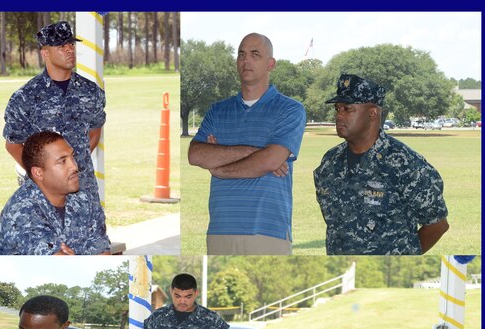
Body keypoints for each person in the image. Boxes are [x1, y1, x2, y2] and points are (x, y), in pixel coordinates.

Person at [187, 33, 306, 255]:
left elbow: (271, 160)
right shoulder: (218, 111)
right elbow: (196, 154)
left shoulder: (290, 109)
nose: (246, 60)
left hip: (268, 231)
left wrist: (219, 168)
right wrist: (255, 152)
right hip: (220, 230)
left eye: (255, 54)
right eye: (241, 54)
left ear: (271, 64)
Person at [313, 74, 449, 255]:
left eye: (347, 109)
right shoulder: (330, 163)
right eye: (337, 109)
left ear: (372, 113)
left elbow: (437, 225)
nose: (339, 115)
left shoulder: (406, 164)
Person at [3, 20, 105, 193]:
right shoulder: (25, 97)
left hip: (83, 190)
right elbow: (13, 145)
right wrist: (44, 175)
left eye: (71, 44)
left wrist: (72, 167)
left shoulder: (91, 91)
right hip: (44, 194)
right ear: (46, 54)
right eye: (61, 46)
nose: (69, 50)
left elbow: (94, 132)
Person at [0, 131, 110, 255]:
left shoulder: (85, 200)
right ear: (38, 173)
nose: (74, 167)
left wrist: (75, 261)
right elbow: (58, 266)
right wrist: (80, 262)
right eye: (62, 161)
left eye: (72, 157)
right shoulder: (21, 211)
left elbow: (104, 259)